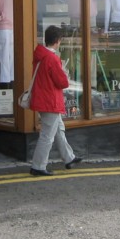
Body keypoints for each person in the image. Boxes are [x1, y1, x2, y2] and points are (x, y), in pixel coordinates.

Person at [28, 25, 82, 176]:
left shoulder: (41, 55)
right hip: (50, 101)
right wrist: (65, 73)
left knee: (59, 130)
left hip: (43, 98)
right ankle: (38, 166)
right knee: (47, 135)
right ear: (58, 41)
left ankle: (69, 158)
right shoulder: (52, 58)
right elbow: (63, 82)